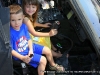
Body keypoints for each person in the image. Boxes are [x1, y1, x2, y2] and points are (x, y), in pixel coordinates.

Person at [9, 5, 64, 75]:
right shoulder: (10, 33)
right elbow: (10, 50)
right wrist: (22, 58)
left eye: (19, 19)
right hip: (22, 54)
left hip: (29, 48)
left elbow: (28, 39)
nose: (16, 23)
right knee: (43, 60)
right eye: (13, 20)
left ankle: (52, 65)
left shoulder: (23, 26)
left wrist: (31, 50)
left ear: (23, 17)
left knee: (47, 50)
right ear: (9, 20)